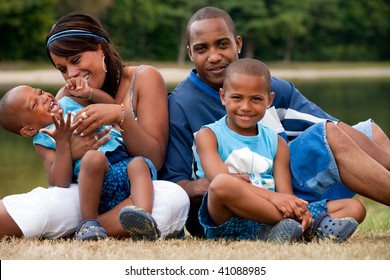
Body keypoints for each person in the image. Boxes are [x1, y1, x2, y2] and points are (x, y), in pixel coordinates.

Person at [159, 6, 390, 237]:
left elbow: (337, 131)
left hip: (280, 185)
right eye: (202, 49)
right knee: (330, 135)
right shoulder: (180, 105)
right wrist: (211, 182)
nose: (214, 55)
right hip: (227, 206)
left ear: (237, 44)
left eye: (222, 44)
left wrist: (284, 197)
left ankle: (295, 225)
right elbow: (174, 184)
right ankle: (298, 224)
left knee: (370, 133)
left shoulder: (267, 86)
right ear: (190, 52)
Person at [0, 12, 189, 240]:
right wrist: (71, 151)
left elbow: (154, 159)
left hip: (134, 191)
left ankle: (84, 231)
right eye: (62, 69)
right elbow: (59, 183)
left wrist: (120, 115)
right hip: (88, 194)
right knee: (47, 202)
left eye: (76, 60)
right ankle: (92, 226)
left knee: (174, 197)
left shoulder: (144, 78)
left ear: (100, 48)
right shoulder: (65, 98)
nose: (71, 74)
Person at [195, 58, 364, 242]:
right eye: (237, 98)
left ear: (269, 100)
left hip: (271, 215)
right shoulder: (209, 135)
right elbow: (219, 180)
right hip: (230, 219)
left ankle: (281, 230)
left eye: (256, 99)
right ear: (223, 97)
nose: (246, 107)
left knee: (354, 207)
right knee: (222, 184)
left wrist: (288, 203)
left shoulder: (277, 142)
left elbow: (285, 195)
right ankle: (304, 227)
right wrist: (275, 198)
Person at [0, 83, 158, 241]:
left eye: (40, 92)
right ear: (29, 130)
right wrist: (63, 143)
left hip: (124, 166)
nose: (44, 98)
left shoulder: (69, 102)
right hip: (97, 184)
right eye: (35, 104)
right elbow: (59, 181)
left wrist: (90, 92)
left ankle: (142, 219)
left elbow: (110, 104)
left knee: (139, 164)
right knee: (92, 158)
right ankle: (89, 223)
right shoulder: (44, 138)